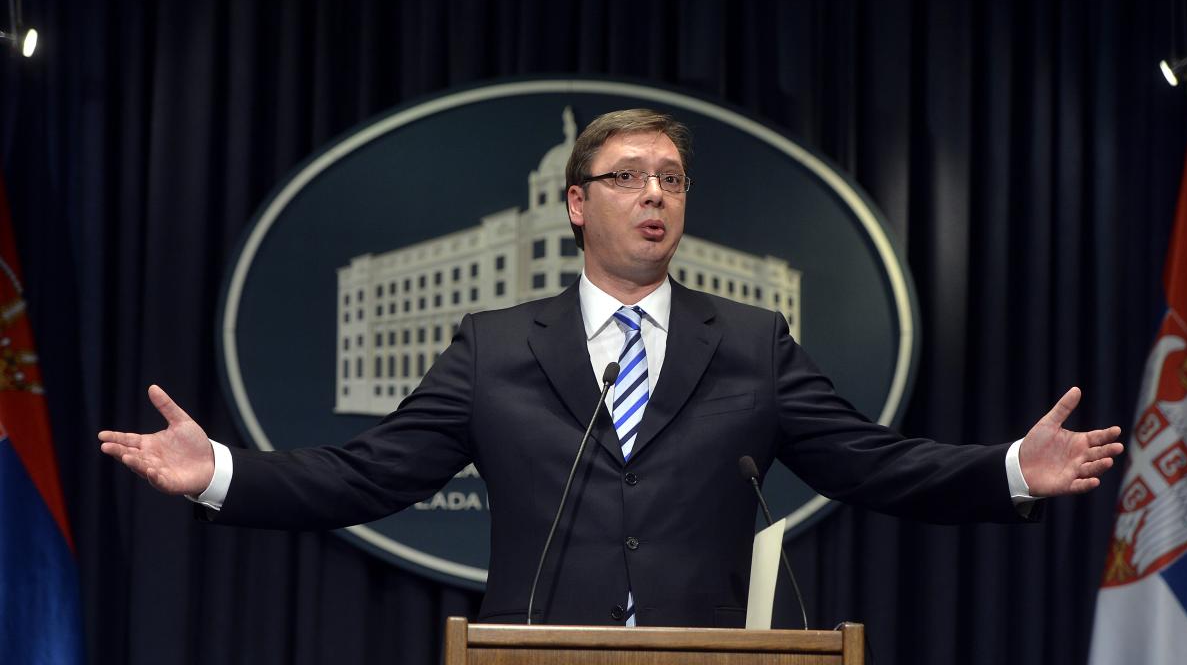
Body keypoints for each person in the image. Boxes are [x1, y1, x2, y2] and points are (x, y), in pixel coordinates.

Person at [99, 108, 1123, 627]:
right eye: (628, 176)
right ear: (577, 203)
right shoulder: (496, 345)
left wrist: (1010, 469)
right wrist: (219, 470)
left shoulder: (751, 342)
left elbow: (870, 461)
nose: (655, 194)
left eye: (671, 178)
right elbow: (368, 474)